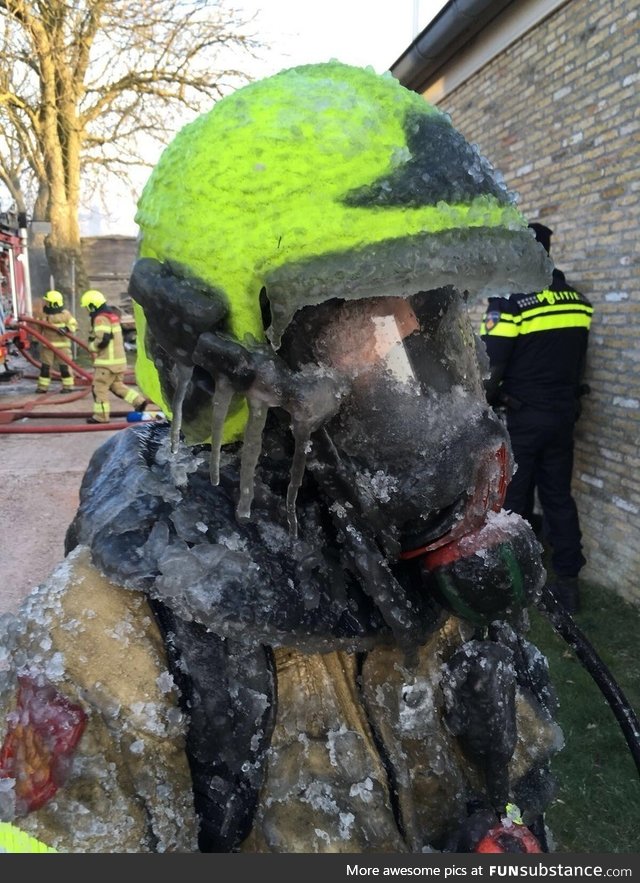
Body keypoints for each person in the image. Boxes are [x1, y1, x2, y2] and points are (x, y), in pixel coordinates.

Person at [0, 63, 561, 854]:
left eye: (434, 325)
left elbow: (524, 781)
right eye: (369, 329)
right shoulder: (104, 647)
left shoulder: (436, 573)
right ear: (226, 364)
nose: (438, 395)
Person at [480, 223, 594, 613]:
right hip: (563, 416)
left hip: (523, 417)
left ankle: (519, 581)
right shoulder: (577, 301)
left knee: (514, 500)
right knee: (559, 497)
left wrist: (485, 401)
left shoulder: (510, 301)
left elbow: (489, 367)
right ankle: (568, 582)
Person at [80, 288, 148, 423]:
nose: (87, 310)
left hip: (107, 363)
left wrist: (91, 346)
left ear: (93, 305)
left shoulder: (100, 319)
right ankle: (138, 401)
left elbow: (102, 340)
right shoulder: (111, 316)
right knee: (116, 385)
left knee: (98, 388)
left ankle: (101, 417)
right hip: (118, 362)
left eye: (88, 307)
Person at [34, 289, 78, 394]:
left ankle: (68, 386)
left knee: (64, 367)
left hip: (63, 347)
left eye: (48, 302)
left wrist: (66, 329)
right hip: (47, 347)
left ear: (54, 303)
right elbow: (37, 330)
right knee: (45, 367)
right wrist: (34, 341)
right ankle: (43, 387)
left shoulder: (65, 314)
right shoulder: (43, 315)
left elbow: (74, 324)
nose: (46, 303)